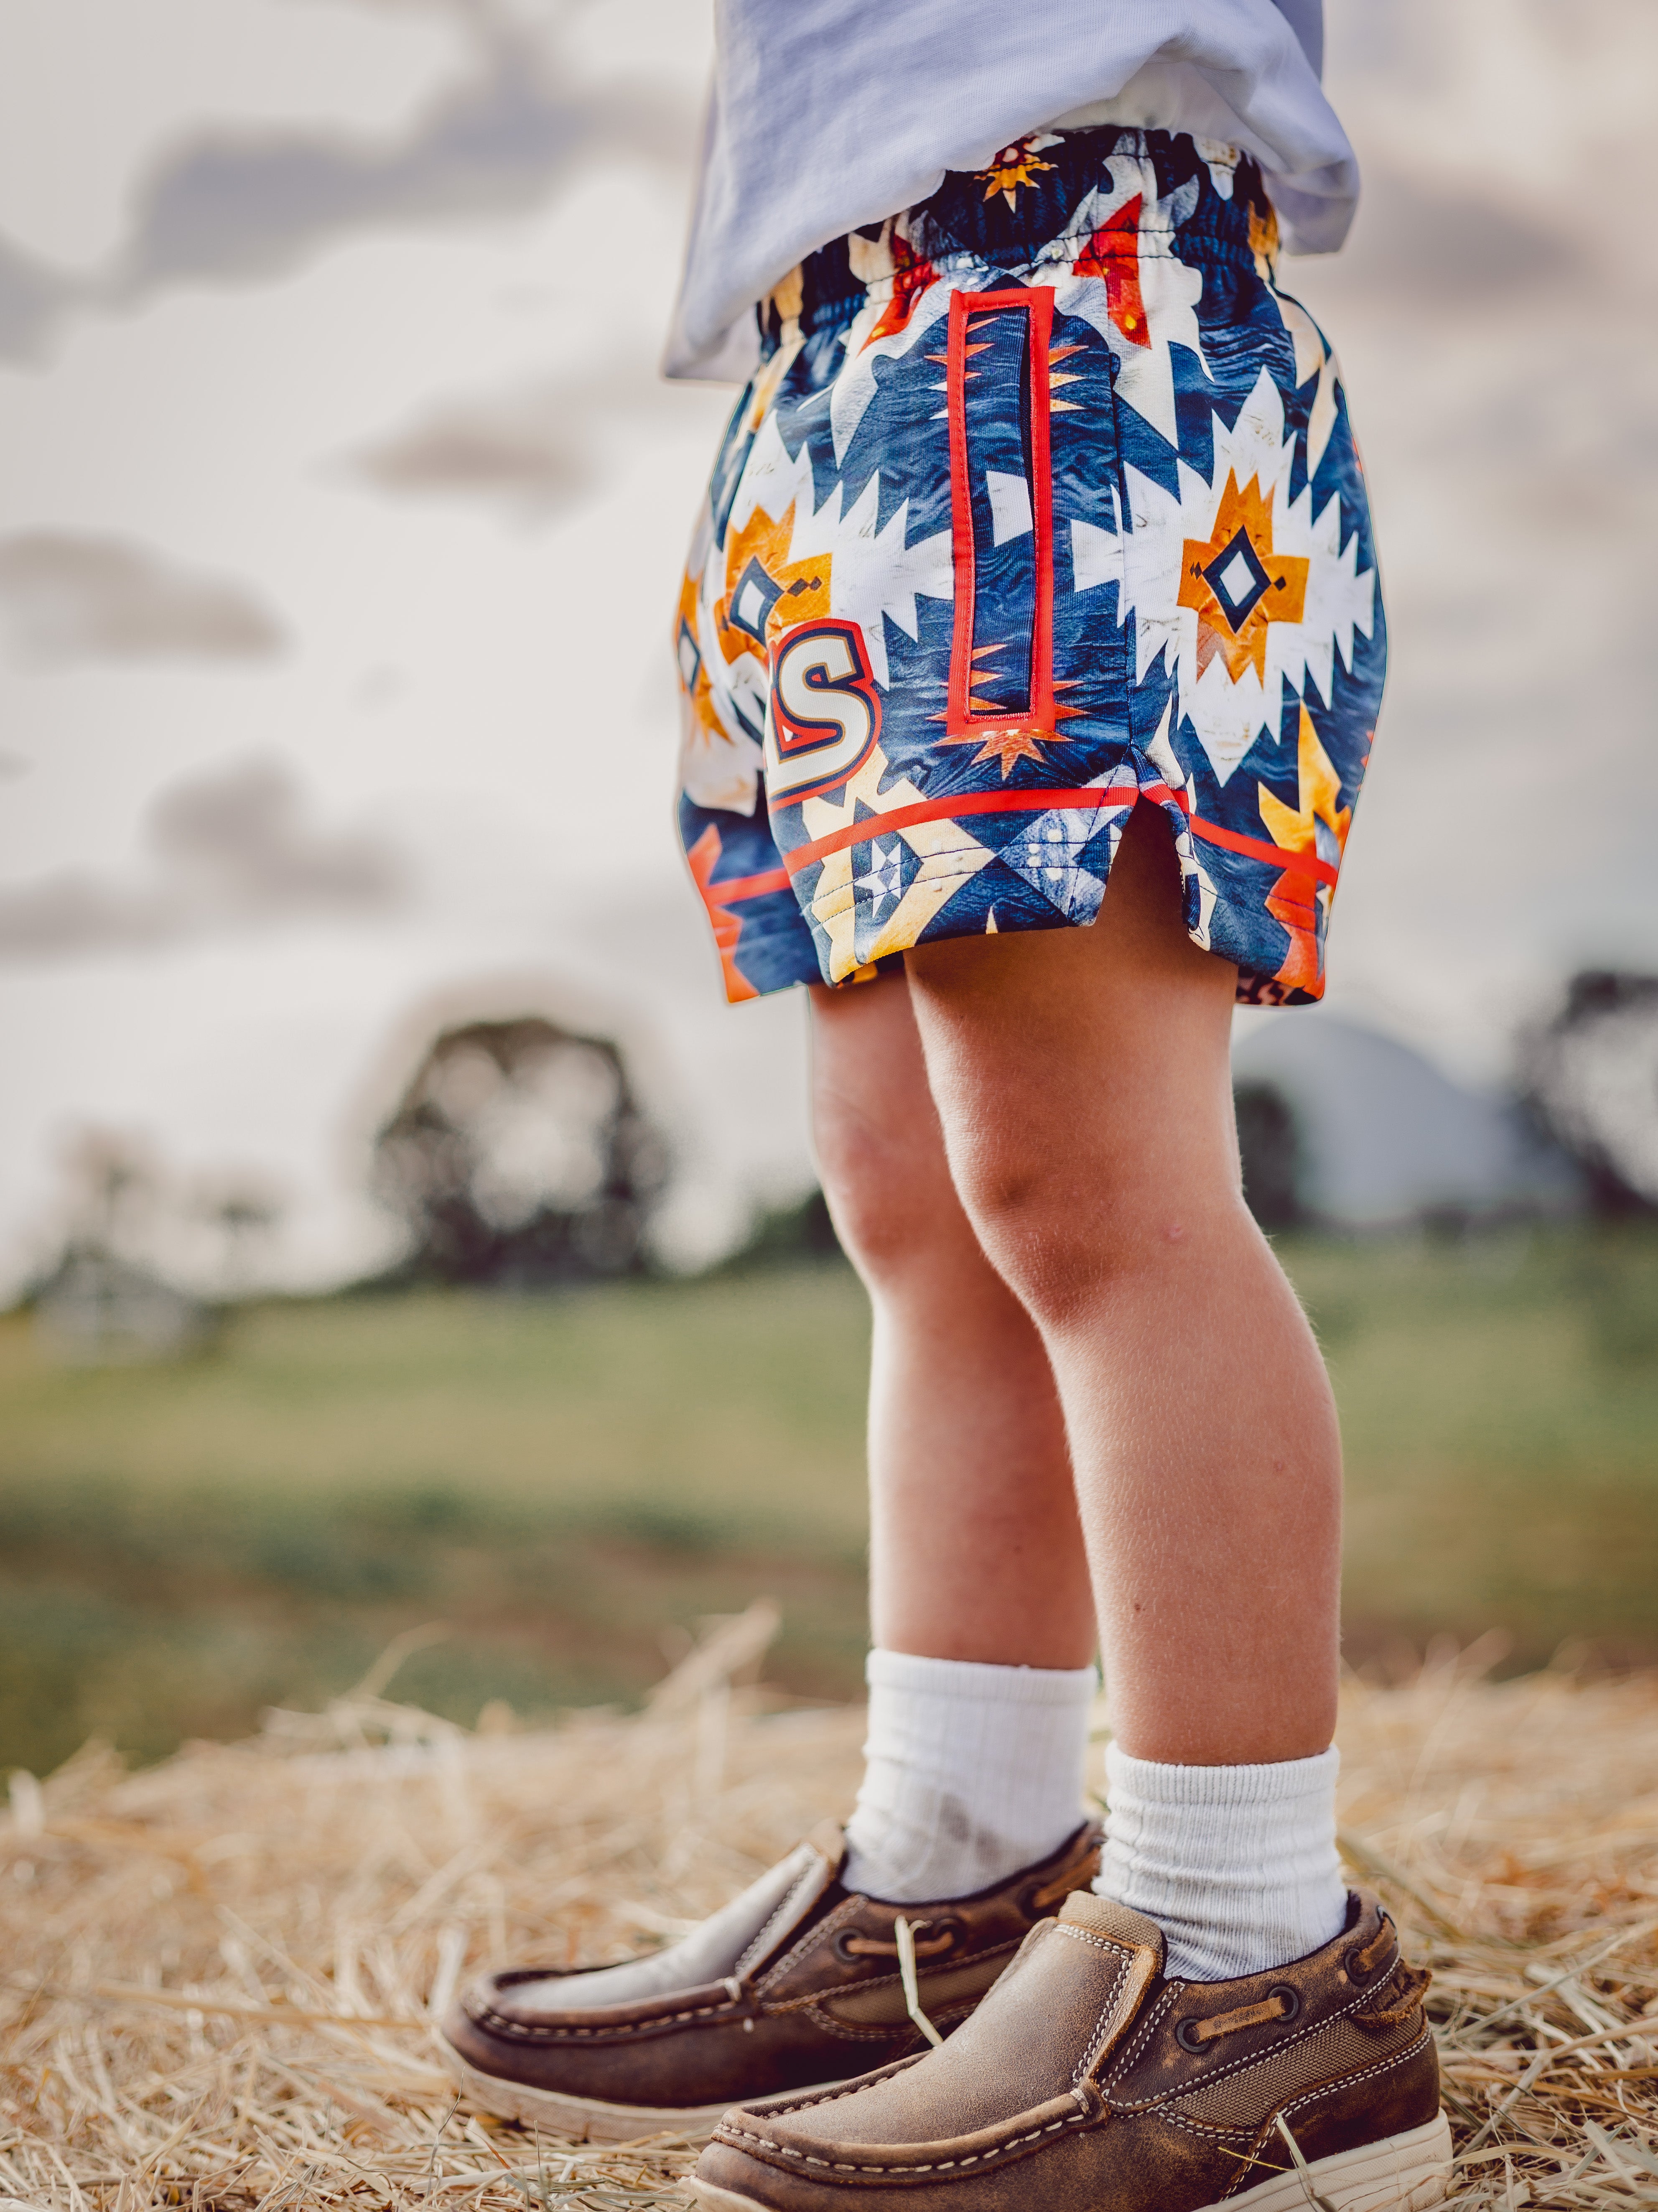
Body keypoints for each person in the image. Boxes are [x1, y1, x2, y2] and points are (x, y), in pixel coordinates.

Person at [444, 5, 1451, 2206]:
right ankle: (964, 1868)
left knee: (1090, 1186)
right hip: (842, 357)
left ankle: (1248, 1952)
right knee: (913, 1182)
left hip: (1058, 293)